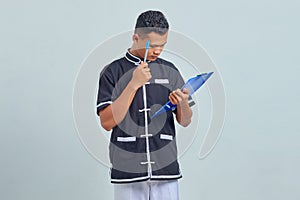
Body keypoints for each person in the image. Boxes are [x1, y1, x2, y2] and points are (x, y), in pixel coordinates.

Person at [96, 10, 193, 200]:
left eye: (163, 45)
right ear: (135, 38)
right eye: (154, 45)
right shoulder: (112, 72)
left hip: (165, 166)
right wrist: (133, 84)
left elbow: (185, 121)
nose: (158, 51)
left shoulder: (170, 70)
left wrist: (182, 104)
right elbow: (107, 122)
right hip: (128, 168)